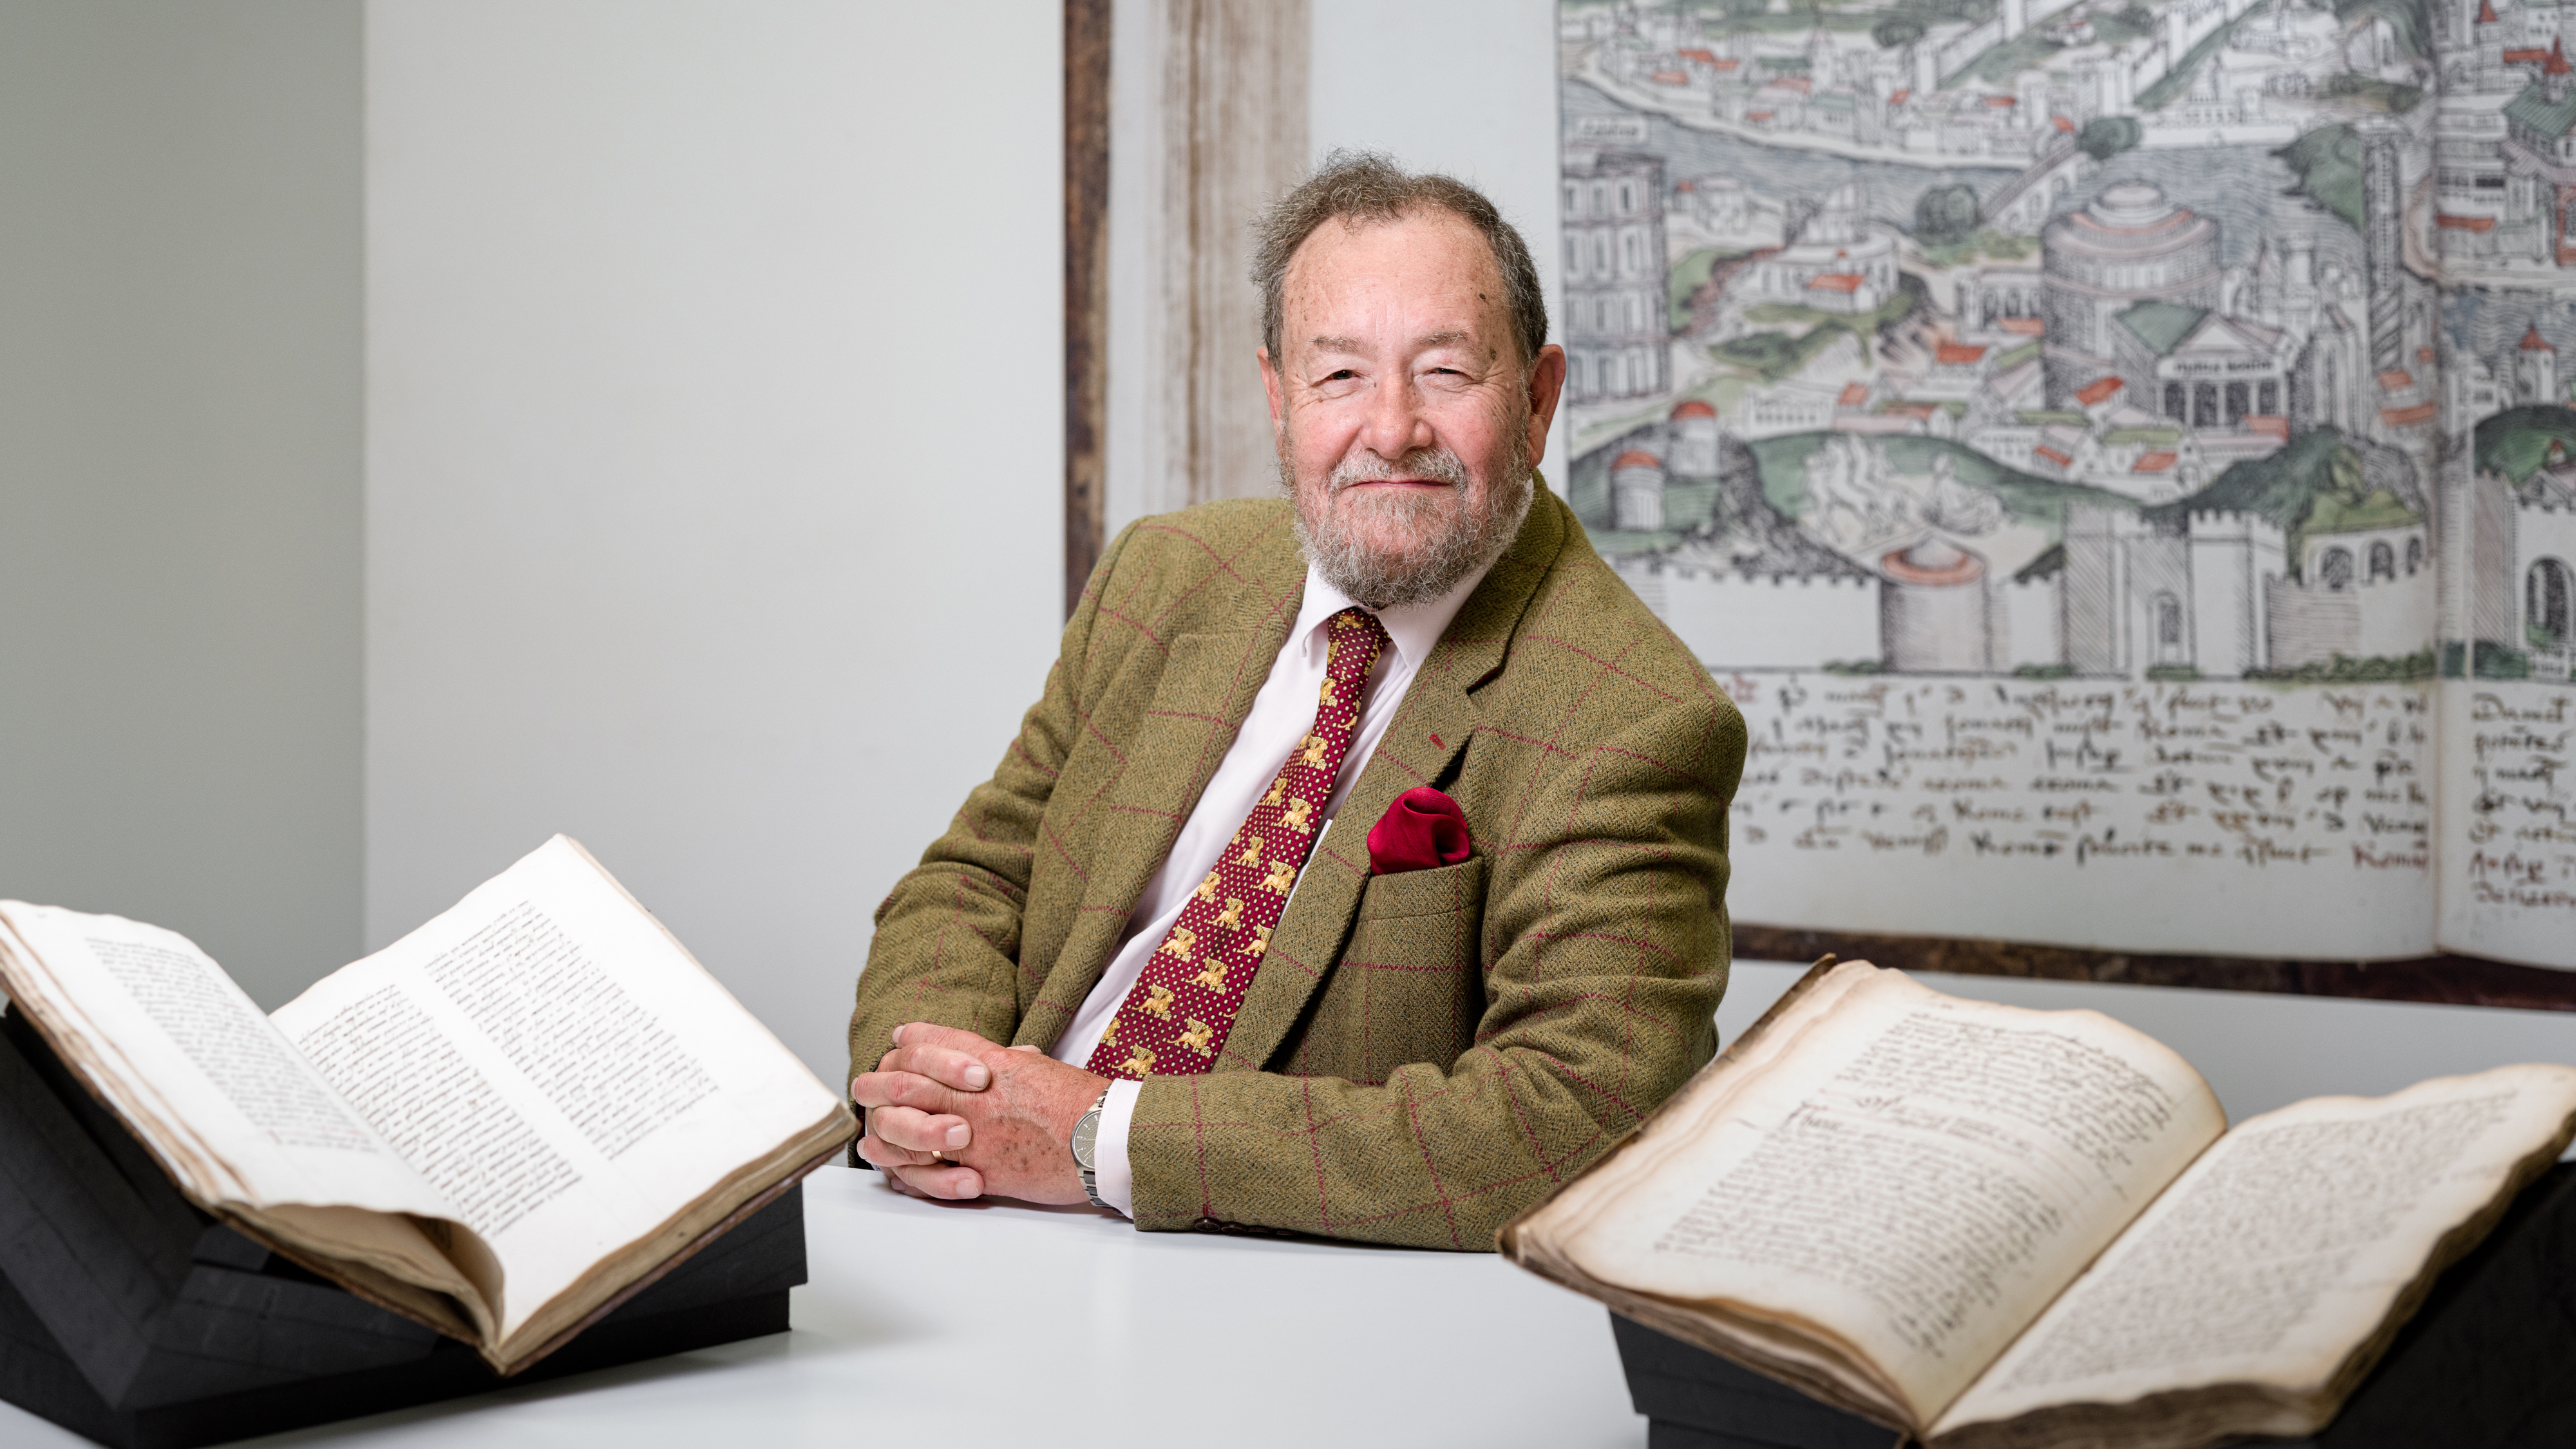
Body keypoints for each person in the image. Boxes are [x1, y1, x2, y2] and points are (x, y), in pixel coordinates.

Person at [847, 151, 1745, 1249]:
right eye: (1341, 375)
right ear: (1280, 397)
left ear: (1539, 398)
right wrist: (939, 1103)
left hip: (1236, 1273)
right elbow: (977, 878)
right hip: (965, 1210)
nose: (1393, 427)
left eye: (1446, 372)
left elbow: (1573, 1116)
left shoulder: (1634, 715)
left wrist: (1096, 1136)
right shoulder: (1165, 573)